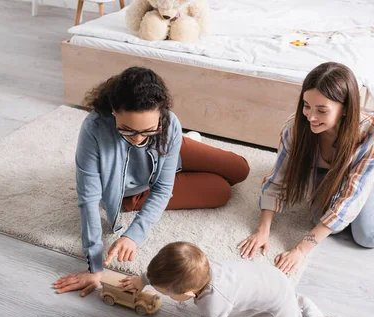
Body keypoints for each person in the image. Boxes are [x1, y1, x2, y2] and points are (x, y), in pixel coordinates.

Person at [238, 62, 374, 274]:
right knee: (319, 221)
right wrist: (263, 229)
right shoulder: (296, 128)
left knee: (368, 235)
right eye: (306, 106)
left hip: (372, 171)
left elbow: (352, 197)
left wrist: (300, 249)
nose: (311, 117)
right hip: (330, 171)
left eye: (322, 110)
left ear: (345, 109)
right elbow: (279, 179)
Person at [54, 67, 250, 296]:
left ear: (160, 115)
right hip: (131, 185)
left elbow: (164, 187)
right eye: (127, 131)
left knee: (240, 169)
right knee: (221, 191)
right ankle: (132, 199)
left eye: (146, 130)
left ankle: (173, 151)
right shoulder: (94, 128)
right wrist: (97, 266)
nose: (137, 139)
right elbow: (88, 200)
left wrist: (154, 135)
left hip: (164, 147)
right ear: (114, 111)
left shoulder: (168, 123)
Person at [120, 242, 356, 317]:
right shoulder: (199, 267)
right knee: (276, 303)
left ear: (189, 294)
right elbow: (167, 270)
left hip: (272, 301)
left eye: (168, 294)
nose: (166, 295)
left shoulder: (213, 304)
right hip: (269, 280)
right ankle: (299, 303)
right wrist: (142, 280)